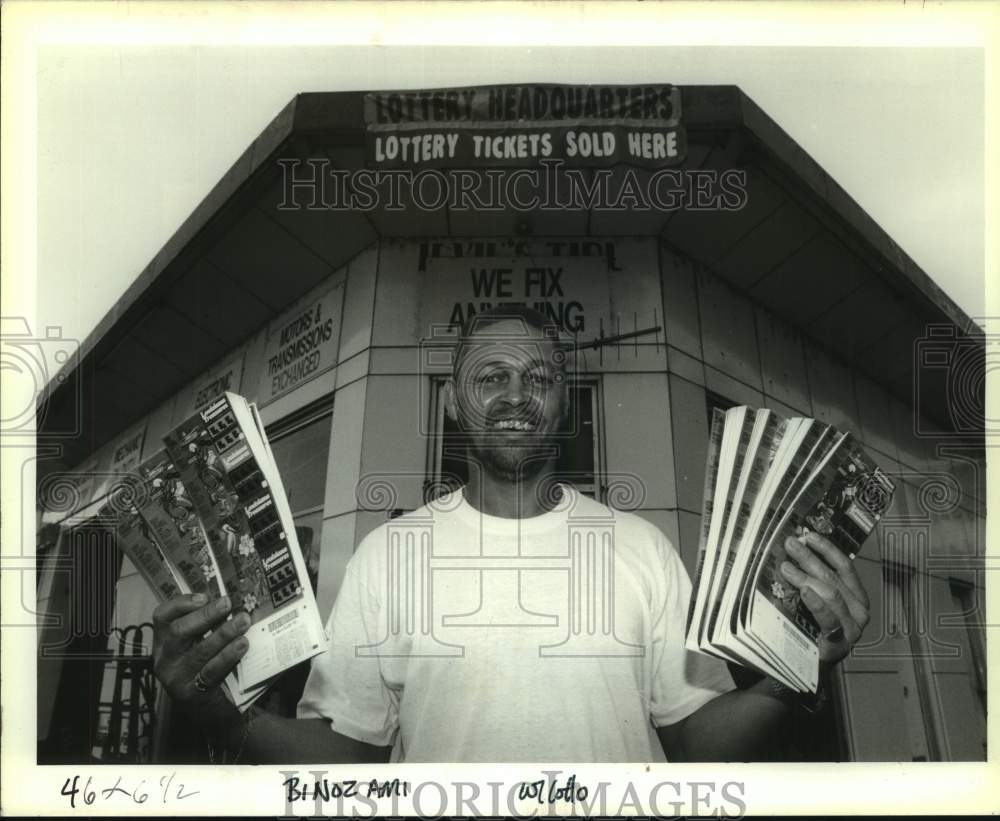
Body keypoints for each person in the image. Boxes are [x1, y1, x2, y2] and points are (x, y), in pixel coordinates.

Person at [151, 306, 871, 763]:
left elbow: (694, 743)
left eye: (539, 377)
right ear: (455, 405)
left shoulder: (642, 549)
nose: (516, 395)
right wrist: (215, 712)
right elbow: (345, 755)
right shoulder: (389, 556)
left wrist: (794, 674)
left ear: (566, 406)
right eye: (490, 376)